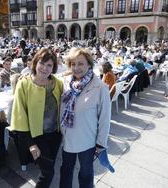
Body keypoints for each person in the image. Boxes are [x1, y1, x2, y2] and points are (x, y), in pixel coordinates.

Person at [60, 48, 111, 188]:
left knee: (86, 173)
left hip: (87, 140)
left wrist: (101, 143)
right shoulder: (66, 82)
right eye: (73, 64)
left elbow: (105, 119)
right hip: (68, 137)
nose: (76, 68)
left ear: (89, 64)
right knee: (66, 170)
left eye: (80, 63)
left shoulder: (100, 87)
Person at [11, 48, 63, 188]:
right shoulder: (24, 83)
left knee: (49, 167)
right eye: (42, 63)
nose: (45, 68)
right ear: (35, 63)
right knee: (48, 173)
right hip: (37, 136)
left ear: (54, 67)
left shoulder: (57, 83)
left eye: (49, 65)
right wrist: (31, 144)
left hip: (55, 134)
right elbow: (19, 116)